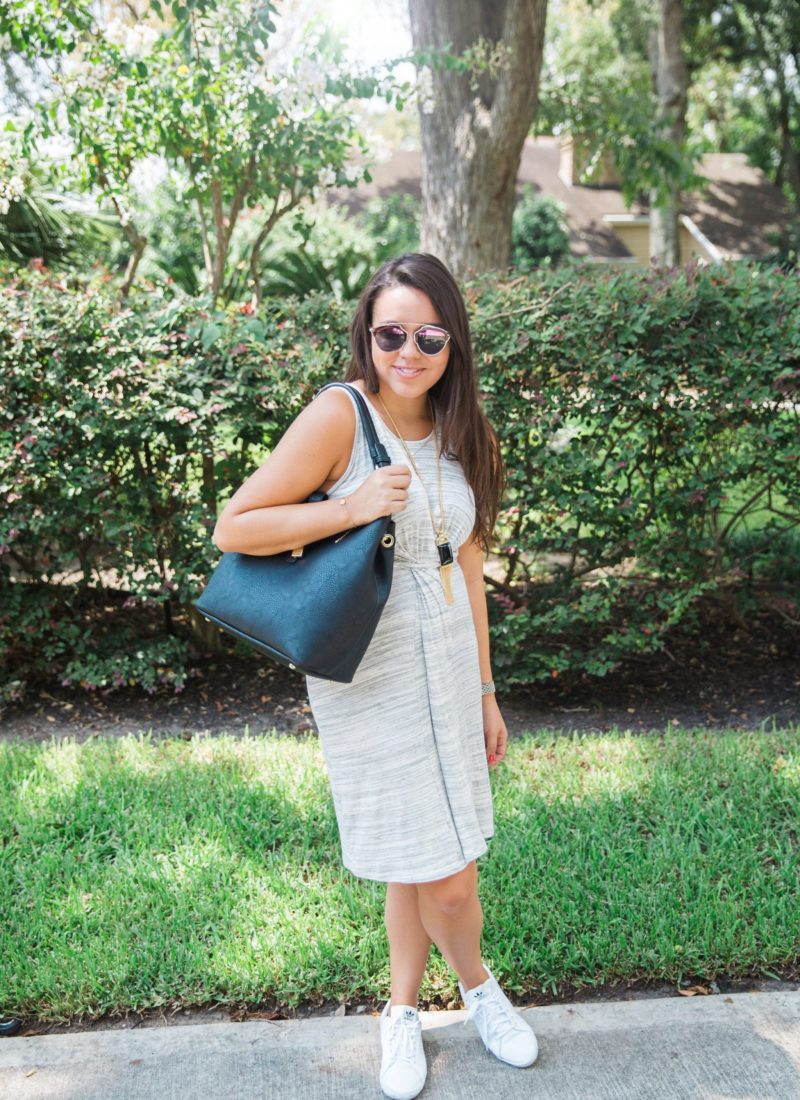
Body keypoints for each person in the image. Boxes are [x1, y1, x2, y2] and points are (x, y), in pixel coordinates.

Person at [213, 252, 537, 1099]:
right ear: (367, 334)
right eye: (391, 333)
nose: (408, 351)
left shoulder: (464, 431)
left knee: (420, 858)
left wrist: (486, 692)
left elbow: (469, 569)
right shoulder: (339, 415)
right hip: (372, 675)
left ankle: (403, 1008)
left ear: (453, 343)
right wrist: (351, 506)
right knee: (442, 873)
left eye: (429, 336)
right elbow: (234, 527)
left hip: (450, 669)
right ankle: (478, 988)